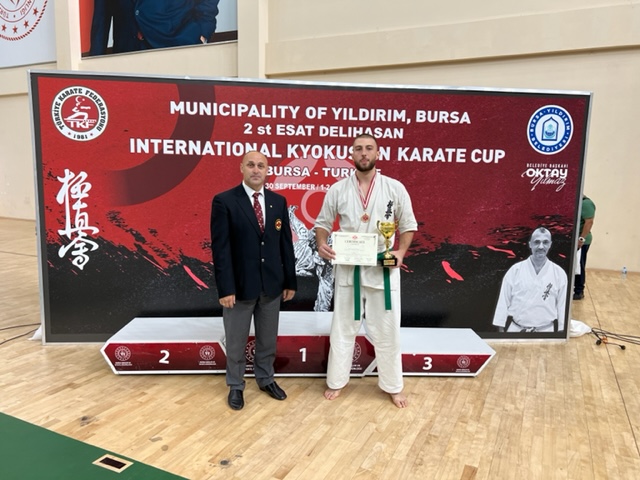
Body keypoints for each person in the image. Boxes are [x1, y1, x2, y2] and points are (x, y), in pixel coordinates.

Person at [314, 134, 418, 408]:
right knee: (342, 329)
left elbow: (408, 224)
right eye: (358, 149)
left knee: (387, 331)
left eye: (369, 148)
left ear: (377, 154)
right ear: (352, 154)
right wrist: (322, 243)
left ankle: (393, 386)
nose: (363, 153)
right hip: (349, 268)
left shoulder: (394, 188)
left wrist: (400, 252)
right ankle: (337, 381)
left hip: (382, 268)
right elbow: (322, 223)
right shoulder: (338, 189)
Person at [210, 151, 297, 410]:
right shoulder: (225, 201)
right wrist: (225, 288)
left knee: (267, 340)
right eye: (251, 165)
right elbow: (221, 249)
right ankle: (236, 385)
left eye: (261, 165)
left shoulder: (278, 201)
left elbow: (285, 245)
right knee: (236, 341)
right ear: (242, 168)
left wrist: (290, 281)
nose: (256, 170)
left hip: (272, 286)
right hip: (238, 288)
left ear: (267, 170)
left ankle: (265, 378)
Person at [492, 227, 568, 333]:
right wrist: (501, 327)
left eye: (545, 242)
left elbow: (562, 305)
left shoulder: (559, 273)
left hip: (546, 331)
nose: (541, 246)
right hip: (516, 330)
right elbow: (503, 300)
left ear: (550, 244)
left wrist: (561, 330)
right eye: (537, 242)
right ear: (530, 244)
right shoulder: (515, 270)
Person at [89, 0, 220, 56]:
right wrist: (96, 57)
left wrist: (203, 30)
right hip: (127, 48)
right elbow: (102, 11)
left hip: (177, 41)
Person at [573, 195, 596, 300]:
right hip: (573, 241)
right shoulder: (575, 201)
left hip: (582, 242)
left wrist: (581, 239)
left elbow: (589, 222)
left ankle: (579, 291)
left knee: (578, 266)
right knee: (574, 266)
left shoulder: (586, 203)